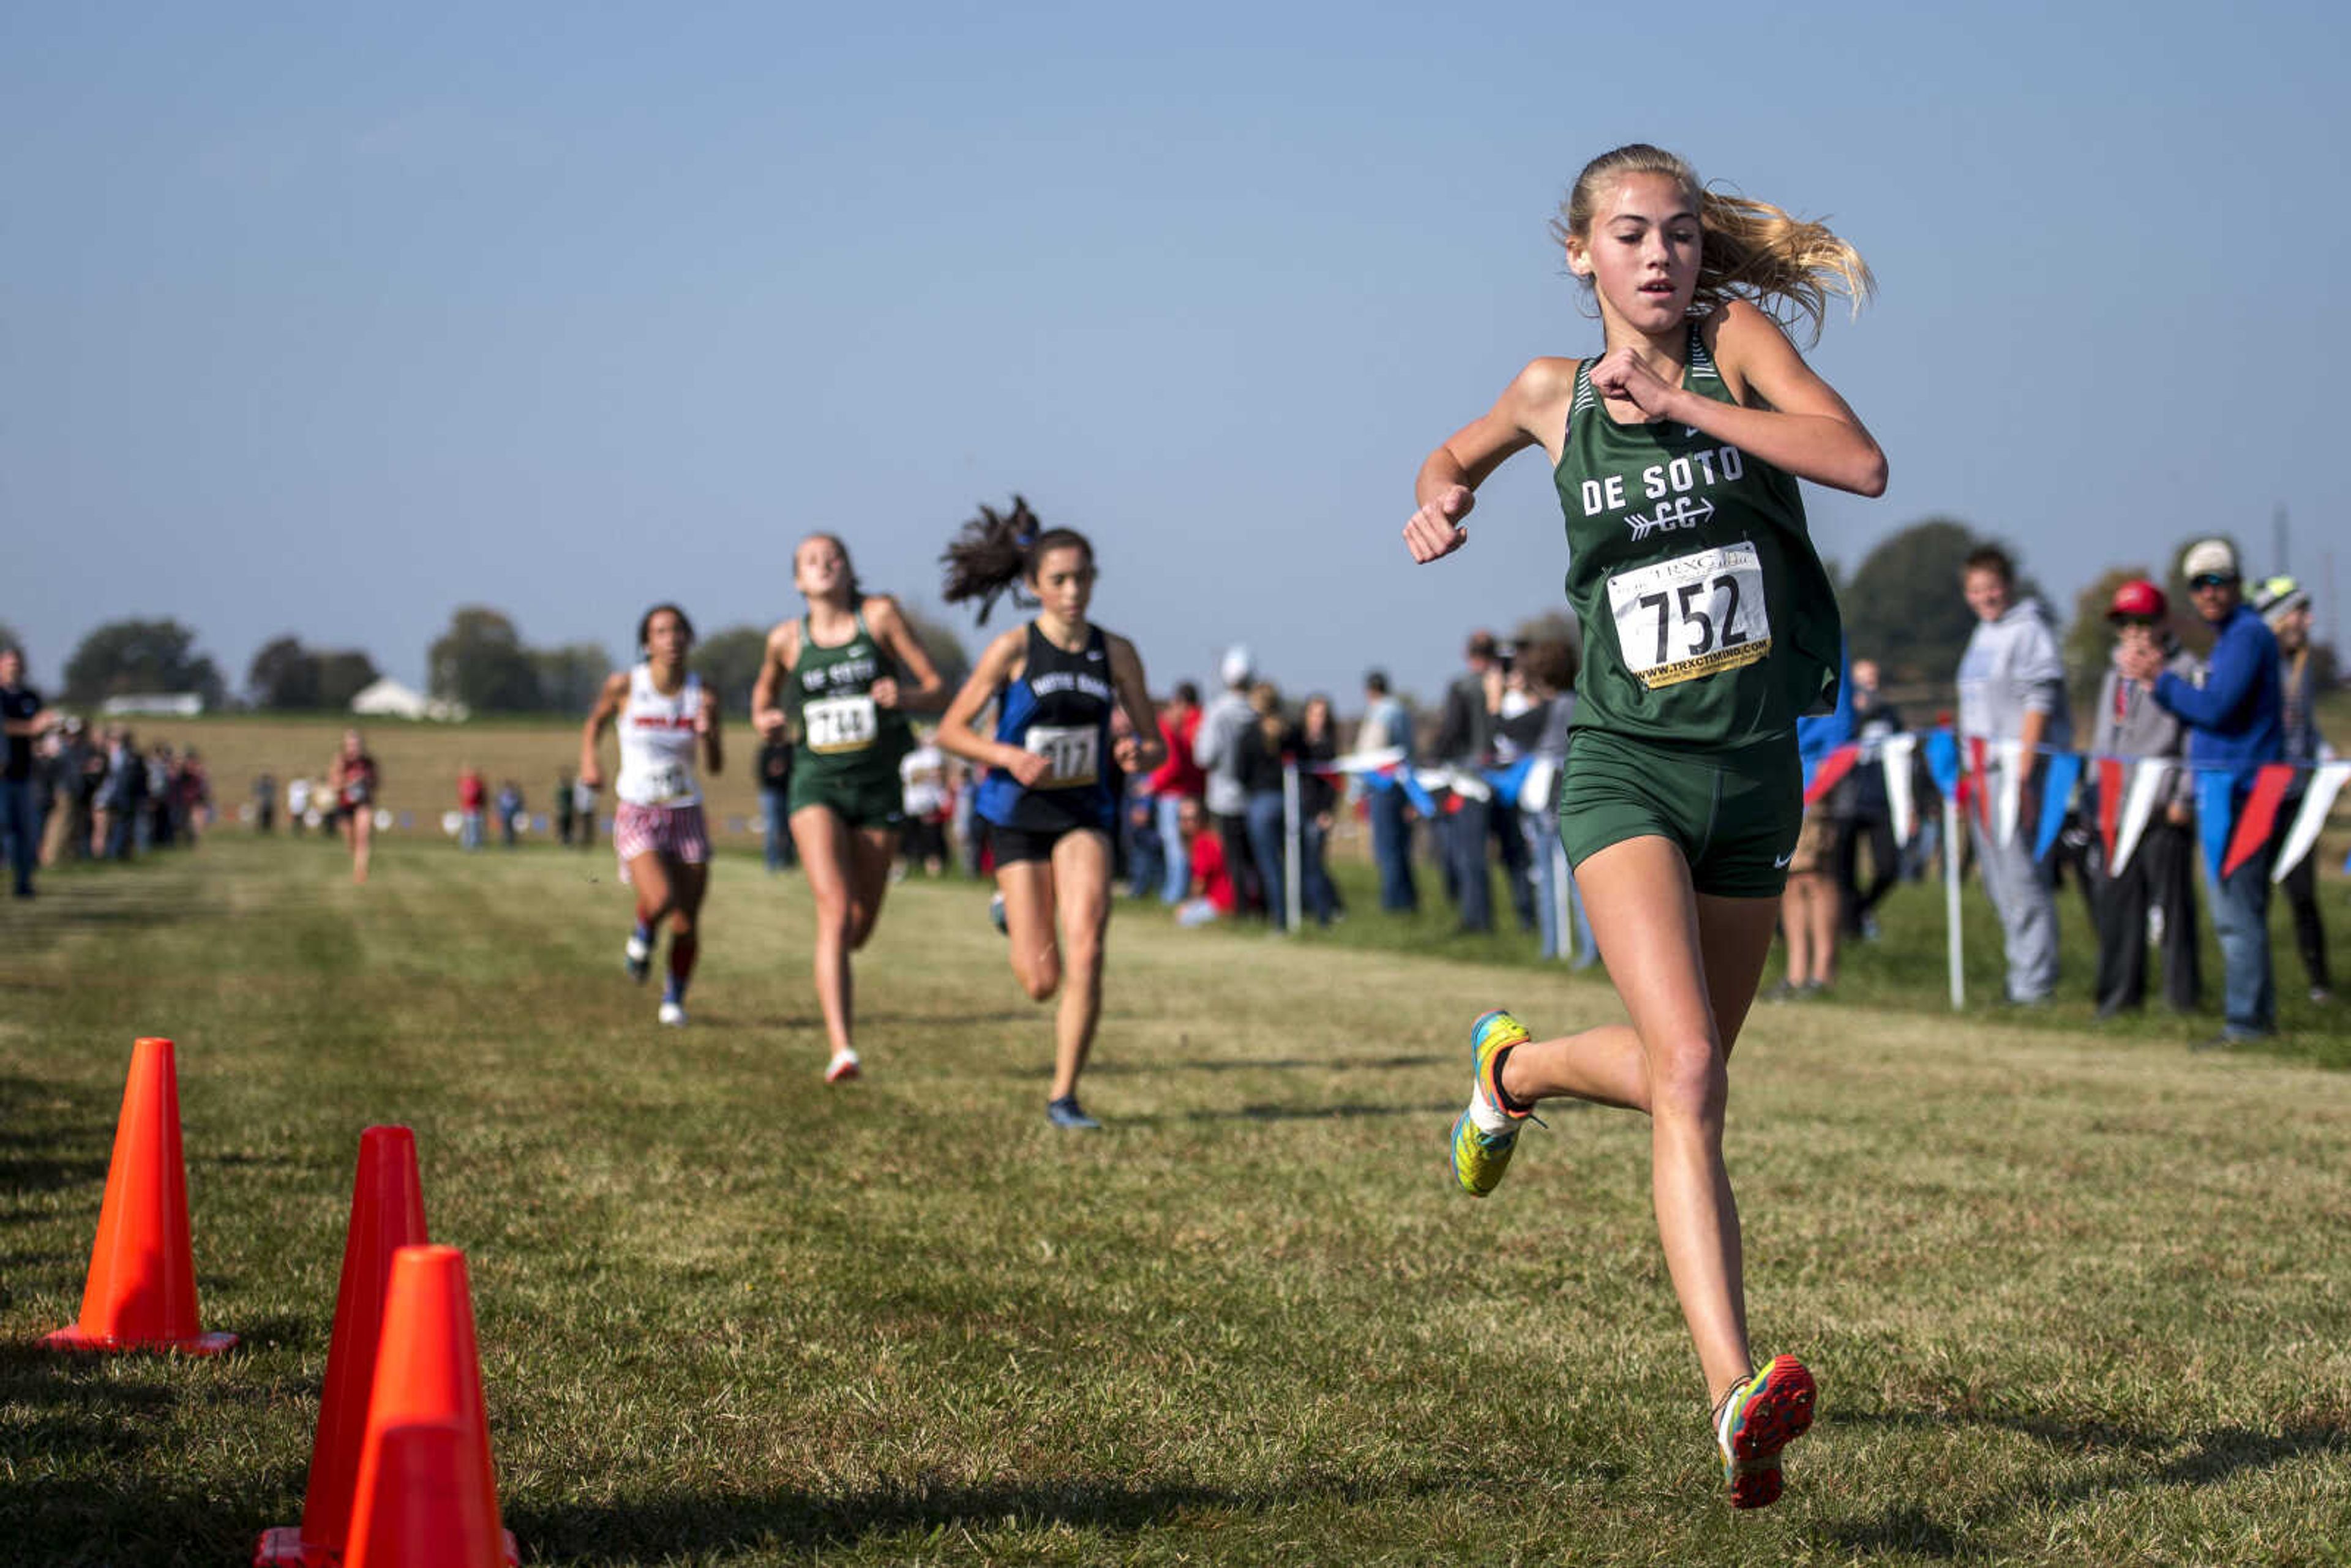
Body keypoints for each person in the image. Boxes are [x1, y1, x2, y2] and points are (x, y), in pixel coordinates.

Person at [1403, 143, 1884, 1507]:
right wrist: (1443, 491)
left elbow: (1858, 461)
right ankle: (1734, 1393)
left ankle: (1515, 1073)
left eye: (1678, 233)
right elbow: (1455, 448)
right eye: (1630, 235)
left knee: (1691, 1066)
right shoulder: (1551, 395)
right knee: (1690, 1073)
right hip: (1626, 770)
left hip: (1754, 772)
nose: (1660, 256)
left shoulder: (1733, 346)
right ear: (1580, 256)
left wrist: (1691, 403)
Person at [934, 498, 1164, 1130]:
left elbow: (1156, 742)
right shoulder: (1012, 649)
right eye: (1059, 579)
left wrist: (1133, 749)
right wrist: (1005, 752)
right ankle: (1011, 910)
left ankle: (1065, 1094)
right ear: (1034, 585)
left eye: (1083, 577)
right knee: (1041, 980)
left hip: (1084, 808)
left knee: (1088, 940)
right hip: (1016, 811)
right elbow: (950, 730)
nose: (1072, 591)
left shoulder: (1115, 653)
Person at [752, 533, 945, 1082]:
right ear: (798, 579)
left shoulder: (879, 617)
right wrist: (767, 717)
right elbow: (763, 698)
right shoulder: (787, 640)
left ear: (849, 568)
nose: (824, 565)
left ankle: (839, 969)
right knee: (834, 911)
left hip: (880, 787)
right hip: (816, 785)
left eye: (832, 556)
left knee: (859, 926)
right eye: (811, 560)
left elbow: (937, 687)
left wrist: (903, 697)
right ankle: (842, 1048)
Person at [2119, 541, 2284, 1046]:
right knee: (2235, 910)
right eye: (2199, 584)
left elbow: (2216, 708)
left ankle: (2246, 1023)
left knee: (2236, 912)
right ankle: (2252, 1017)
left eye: (2218, 580)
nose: (2209, 592)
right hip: (2224, 787)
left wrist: (2158, 681)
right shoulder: (2231, 637)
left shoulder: (2247, 635)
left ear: (2237, 582)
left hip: (2244, 790)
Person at [582, 604, 723, 1028]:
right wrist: (591, 761)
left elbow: (715, 764)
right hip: (639, 810)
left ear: (690, 638)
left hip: (686, 811)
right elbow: (595, 723)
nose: (672, 638)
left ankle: (674, 999)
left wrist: (708, 734)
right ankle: (642, 935)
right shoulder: (625, 685)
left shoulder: (703, 693)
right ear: (647, 642)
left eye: (679, 630)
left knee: (687, 920)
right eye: (661, 631)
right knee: (660, 898)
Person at [1955, 545, 2069, 1005]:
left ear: (2009, 585)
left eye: (1992, 587)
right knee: (1999, 879)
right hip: (1982, 772)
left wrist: (2024, 777)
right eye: (1976, 589)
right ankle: (2019, 971)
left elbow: (2037, 704)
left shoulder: (2029, 632)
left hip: (2014, 772)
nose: (1986, 596)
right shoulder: (1984, 634)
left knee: (2023, 878)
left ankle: (2035, 983)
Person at [2088, 579, 2200, 1018]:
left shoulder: (2186, 670)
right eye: (2125, 624)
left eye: (2142, 623)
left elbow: (2194, 738)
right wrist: (2099, 796)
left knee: (2173, 909)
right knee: (2118, 905)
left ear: (2161, 624)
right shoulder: (2115, 675)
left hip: (2163, 807)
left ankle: (2181, 1000)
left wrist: (2184, 798)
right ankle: (2118, 997)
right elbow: (2103, 740)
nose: (2134, 632)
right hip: (2119, 808)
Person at [2254, 575, 2333, 1003]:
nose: (2309, 619)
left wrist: (2328, 754)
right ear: (2279, 617)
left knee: (2304, 894)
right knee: (2257, 896)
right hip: (2264, 793)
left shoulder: (2303, 666)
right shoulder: (2259, 663)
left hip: (2298, 795)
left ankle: (2320, 984)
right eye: (2301, 611)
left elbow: (2307, 728)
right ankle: (2257, 983)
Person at [1432, 631, 1505, 931]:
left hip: (1470, 777)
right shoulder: (1505, 685)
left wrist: (1434, 758)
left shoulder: (1461, 686)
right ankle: (1526, 920)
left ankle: (1477, 919)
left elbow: (1452, 730)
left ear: (1468, 654)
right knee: (1515, 858)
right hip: (1506, 775)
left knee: (1469, 854)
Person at [1834, 659, 1904, 939]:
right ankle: (1852, 932)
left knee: (1889, 868)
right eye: (1862, 680)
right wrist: (1856, 712)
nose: (1869, 686)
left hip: (1882, 801)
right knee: (1844, 872)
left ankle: (1861, 910)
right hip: (1847, 802)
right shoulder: (1843, 715)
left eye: (1873, 679)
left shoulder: (1890, 716)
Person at [1193, 647, 1263, 917]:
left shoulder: (1218, 712)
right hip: (1253, 795)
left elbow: (1204, 755)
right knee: (1254, 856)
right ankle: (1260, 904)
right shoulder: (1256, 712)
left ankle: (1243, 909)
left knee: (1234, 857)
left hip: (1224, 796)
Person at [1359, 670, 1420, 912]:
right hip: (1403, 785)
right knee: (1401, 847)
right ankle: (1408, 900)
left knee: (1387, 849)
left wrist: (1358, 790)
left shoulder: (1379, 714)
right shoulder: (1402, 712)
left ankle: (1393, 904)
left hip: (1383, 787)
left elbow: (1369, 755)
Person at [1, 647, 59, 898]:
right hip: (2, 775)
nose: (14, 667)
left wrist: (46, 738)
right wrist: (33, 728)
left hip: (24, 775)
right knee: (5, 829)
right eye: (9, 662)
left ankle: (23, 884)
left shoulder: (31, 696)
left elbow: (40, 729)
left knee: (27, 832)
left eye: (18, 663)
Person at [1144, 681, 1205, 905]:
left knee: (1176, 847)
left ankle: (1174, 894)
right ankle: (1176, 892)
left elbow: (1173, 765)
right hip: (1188, 791)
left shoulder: (1166, 729)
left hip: (1174, 794)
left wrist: (1153, 785)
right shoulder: (1190, 725)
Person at [1285, 692, 1343, 926]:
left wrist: (1327, 812)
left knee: (1314, 864)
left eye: (1322, 715)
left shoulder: (1328, 746)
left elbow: (1333, 783)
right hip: (1297, 809)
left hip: (1318, 813)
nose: (1318, 719)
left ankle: (1327, 913)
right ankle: (1315, 907)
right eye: (1314, 713)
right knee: (1301, 864)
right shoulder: (1297, 741)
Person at [326, 728, 379, 883]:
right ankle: (356, 857)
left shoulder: (368, 763)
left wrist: (367, 782)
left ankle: (361, 871)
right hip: (345, 804)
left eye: (356, 744)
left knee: (363, 836)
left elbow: (377, 783)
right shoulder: (340, 761)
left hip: (363, 803)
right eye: (350, 744)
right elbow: (333, 786)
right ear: (345, 746)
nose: (354, 747)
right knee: (351, 839)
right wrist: (349, 782)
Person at [755, 729, 796, 872]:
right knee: (772, 828)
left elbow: (794, 770)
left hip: (789, 792)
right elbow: (761, 772)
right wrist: (774, 777)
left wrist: (783, 776)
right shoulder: (766, 750)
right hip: (771, 793)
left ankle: (788, 862)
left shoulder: (791, 749)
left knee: (790, 829)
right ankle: (771, 863)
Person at [457, 765, 487, 852]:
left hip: (474, 810)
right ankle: (468, 845)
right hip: (467, 809)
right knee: (468, 829)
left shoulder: (476, 784)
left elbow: (478, 795)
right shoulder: (467, 783)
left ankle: (474, 845)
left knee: (474, 829)